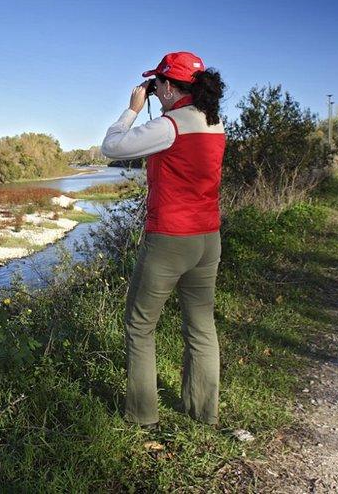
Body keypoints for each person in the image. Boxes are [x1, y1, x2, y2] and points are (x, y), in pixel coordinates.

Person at [101, 51, 226, 428]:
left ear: (169, 86)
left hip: (170, 238)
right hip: (208, 238)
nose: (153, 88)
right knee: (201, 325)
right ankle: (203, 413)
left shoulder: (171, 124)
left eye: (157, 83)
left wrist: (133, 109)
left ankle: (142, 416)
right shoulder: (214, 122)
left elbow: (112, 148)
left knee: (140, 325)